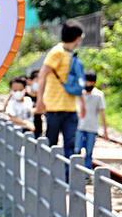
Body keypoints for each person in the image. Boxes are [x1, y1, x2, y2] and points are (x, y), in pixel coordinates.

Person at [34, 20, 85, 158]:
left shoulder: (71, 55)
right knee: (52, 143)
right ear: (77, 37)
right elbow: (42, 75)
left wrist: (81, 103)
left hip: (70, 108)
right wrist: (40, 101)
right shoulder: (56, 52)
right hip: (54, 107)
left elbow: (75, 82)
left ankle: (68, 176)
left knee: (71, 145)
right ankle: (49, 174)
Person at [76, 70, 108, 167]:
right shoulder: (79, 93)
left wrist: (105, 129)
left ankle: (87, 172)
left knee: (89, 152)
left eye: (89, 81)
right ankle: (74, 171)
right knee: (76, 149)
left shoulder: (98, 95)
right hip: (79, 126)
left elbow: (101, 112)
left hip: (92, 126)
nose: (87, 83)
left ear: (94, 82)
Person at [26, 69, 44, 138]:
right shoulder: (24, 94)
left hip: (38, 126)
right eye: (37, 81)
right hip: (25, 126)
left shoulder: (43, 97)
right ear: (30, 81)